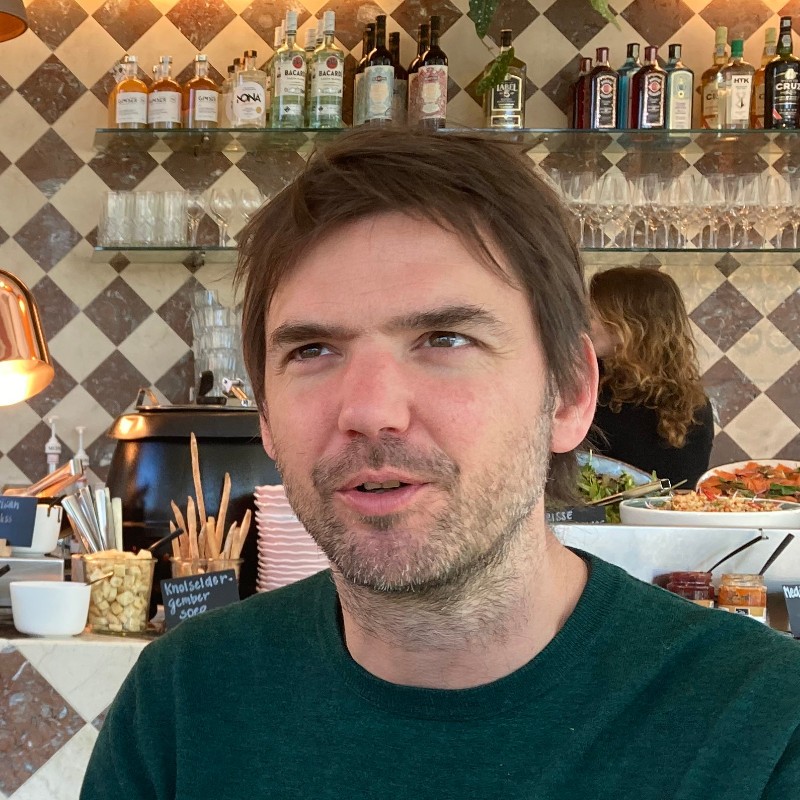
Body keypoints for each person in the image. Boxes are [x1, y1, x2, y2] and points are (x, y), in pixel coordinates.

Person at [81, 129, 800, 800]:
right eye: (312, 350)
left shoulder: (763, 724)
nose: (370, 410)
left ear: (571, 393)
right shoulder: (182, 701)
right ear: (265, 415)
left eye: (446, 338)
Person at [588, 266, 715, 486]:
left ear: (627, 325)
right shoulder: (584, 382)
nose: (583, 324)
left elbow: (680, 491)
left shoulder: (691, 408)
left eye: (590, 315)